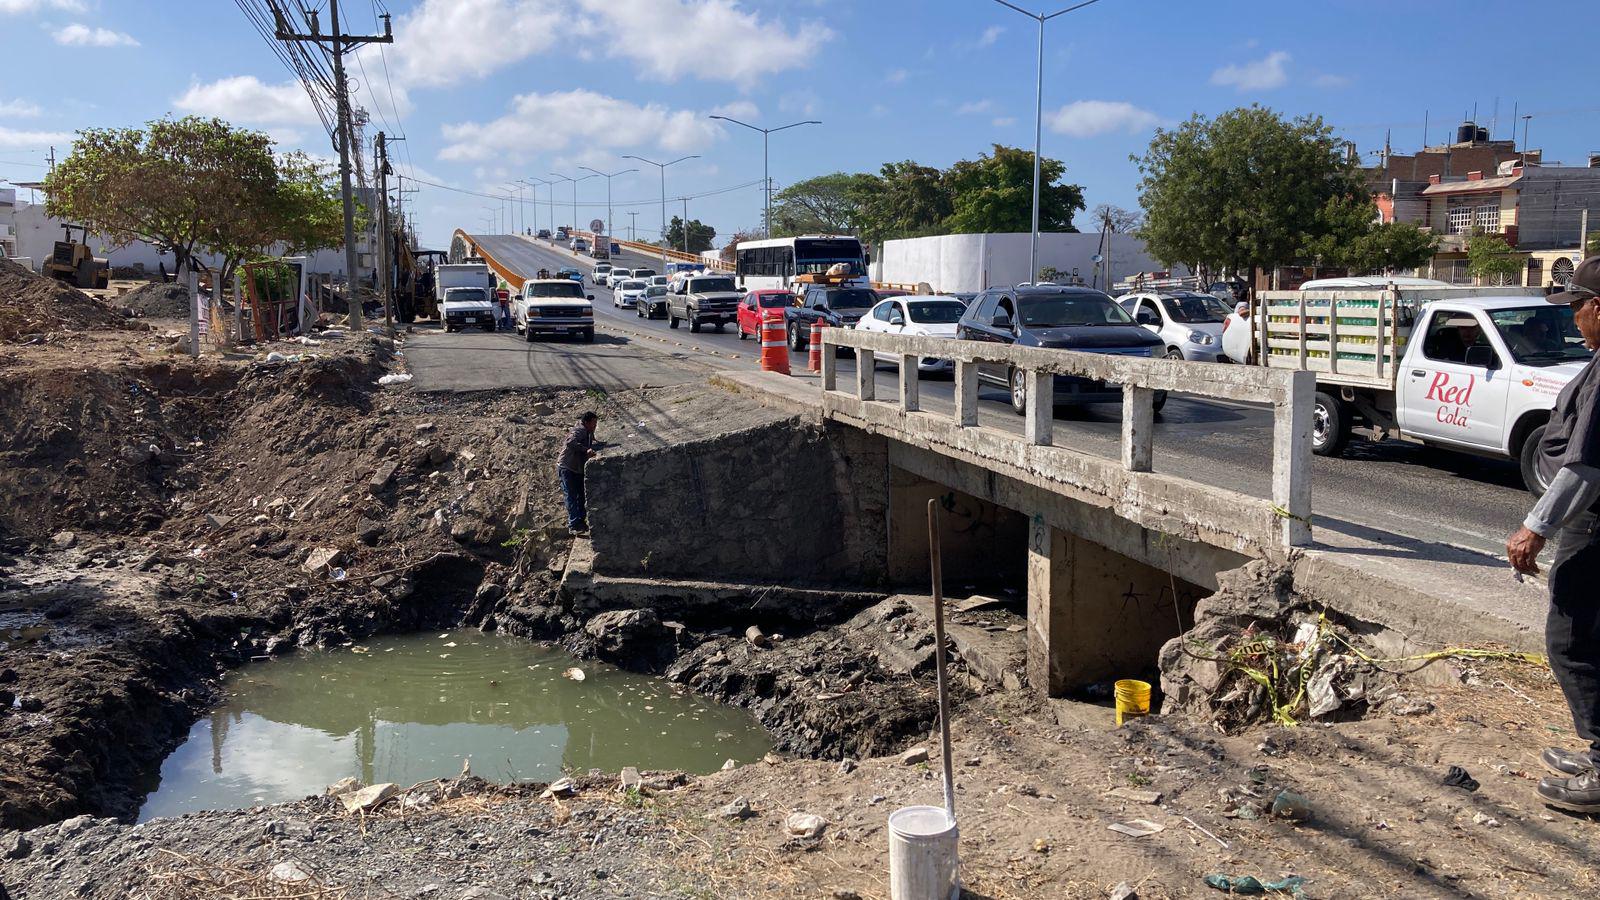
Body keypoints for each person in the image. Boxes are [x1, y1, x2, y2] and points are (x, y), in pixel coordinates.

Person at [1506, 255, 1600, 814]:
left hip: (1594, 525)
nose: (1572, 320)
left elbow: (1587, 467)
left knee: (1571, 641)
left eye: (1576, 308)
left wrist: (1534, 529)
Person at [558, 411, 599, 536]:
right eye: (593, 424)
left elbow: (591, 440)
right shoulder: (579, 430)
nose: (595, 426)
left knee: (581, 495)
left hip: (577, 468)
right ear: (586, 422)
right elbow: (570, 442)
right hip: (568, 467)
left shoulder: (587, 431)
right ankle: (574, 524)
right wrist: (586, 450)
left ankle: (581, 522)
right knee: (571, 495)